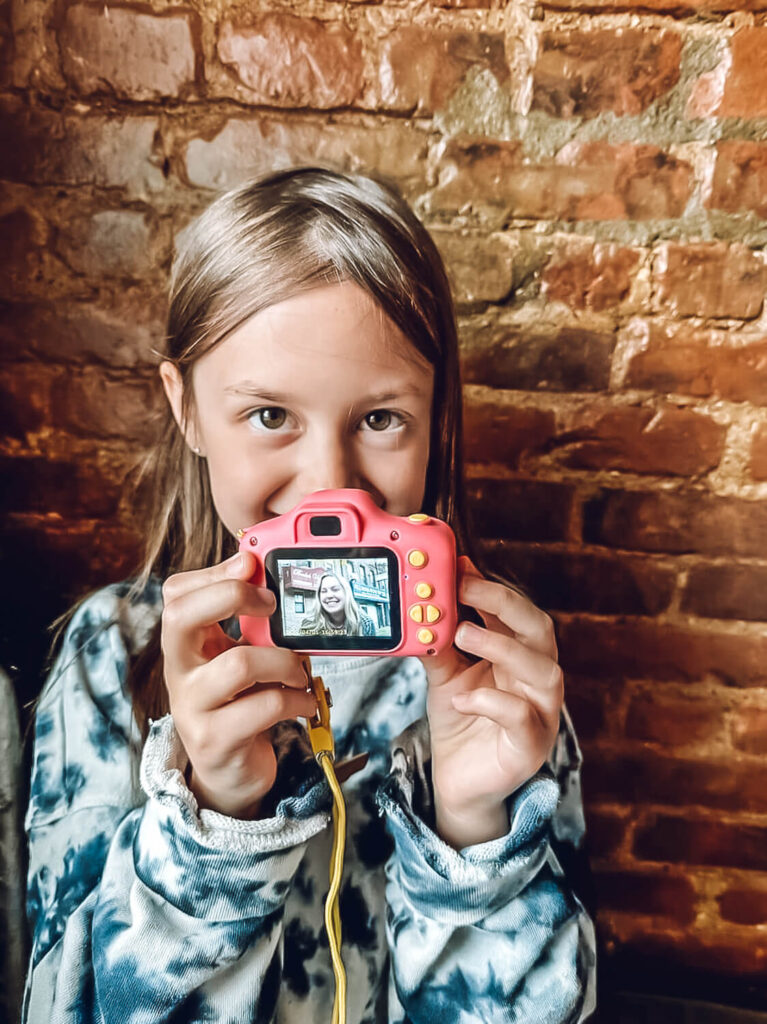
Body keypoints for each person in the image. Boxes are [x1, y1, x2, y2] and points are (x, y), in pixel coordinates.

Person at [23, 167, 596, 1023]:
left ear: (436, 420)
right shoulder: (111, 655)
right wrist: (209, 821)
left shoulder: (491, 676)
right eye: (268, 415)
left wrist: (474, 835)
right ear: (186, 410)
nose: (330, 487)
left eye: (378, 419)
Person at [299, 572, 376, 637]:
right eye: (323, 591)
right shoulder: (309, 624)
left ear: (346, 593)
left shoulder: (365, 623)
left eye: (335, 589)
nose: (329, 595)